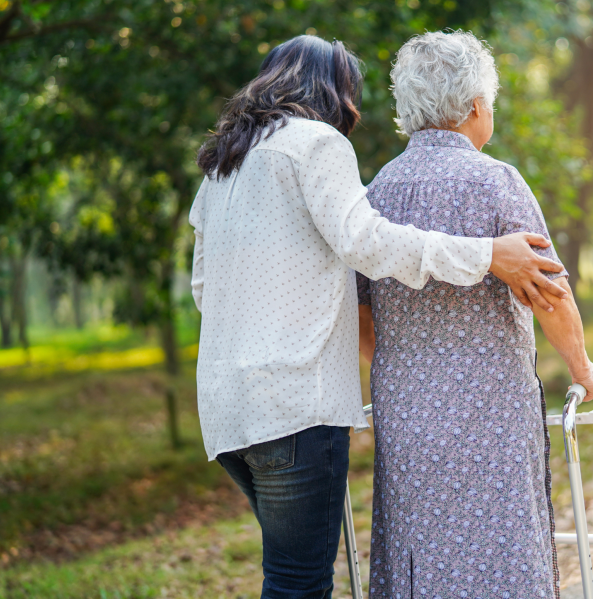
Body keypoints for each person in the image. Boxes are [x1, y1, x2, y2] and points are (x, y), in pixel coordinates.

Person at [188, 34, 570, 598]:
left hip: (226, 410)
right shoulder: (316, 143)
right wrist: (488, 255)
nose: (353, 109)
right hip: (294, 405)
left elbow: (205, 288)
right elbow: (366, 243)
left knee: (286, 573)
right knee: (299, 583)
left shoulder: (223, 164)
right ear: (331, 90)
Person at [357, 30, 593, 599]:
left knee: (420, 551)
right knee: (502, 550)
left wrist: (404, 373)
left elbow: (361, 313)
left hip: (405, 415)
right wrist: (583, 369)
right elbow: (551, 294)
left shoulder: (375, 195)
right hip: (491, 410)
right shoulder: (496, 182)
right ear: (475, 107)